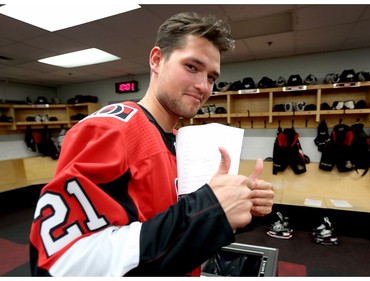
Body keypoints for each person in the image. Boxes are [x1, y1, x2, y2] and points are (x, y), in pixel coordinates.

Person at [29, 11, 274, 277]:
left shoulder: (181, 141)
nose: (203, 86)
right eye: (191, 67)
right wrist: (210, 210)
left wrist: (239, 208)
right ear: (157, 60)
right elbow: (61, 263)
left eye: (212, 77)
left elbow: (175, 231)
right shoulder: (110, 129)